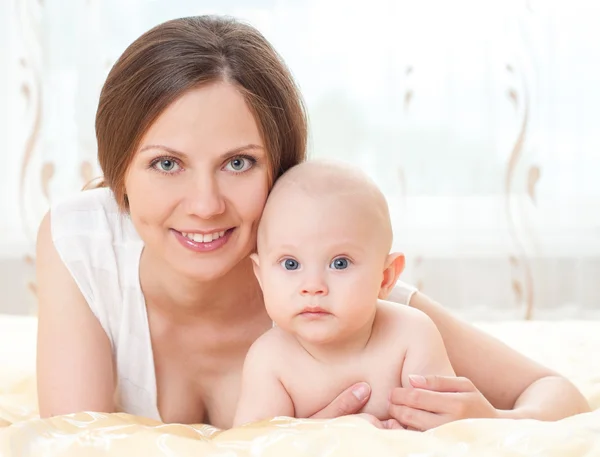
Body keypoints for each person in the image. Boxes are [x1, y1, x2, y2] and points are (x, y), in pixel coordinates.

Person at [35, 15, 589, 431]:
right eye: (166, 164)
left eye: (238, 163)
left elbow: (557, 393)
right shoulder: (82, 243)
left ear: (281, 169)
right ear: (119, 173)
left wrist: (489, 423)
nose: (204, 204)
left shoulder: (347, 298)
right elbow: (74, 439)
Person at [233, 160, 455, 428]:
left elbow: (448, 434)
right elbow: (252, 447)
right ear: (261, 276)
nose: (313, 286)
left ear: (385, 277)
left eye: (340, 263)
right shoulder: (271, 361)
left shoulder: (411, 336)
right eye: (290, 264)